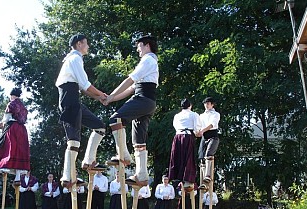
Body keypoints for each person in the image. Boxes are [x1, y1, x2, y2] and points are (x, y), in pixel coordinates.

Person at [104, 33, 159, 187]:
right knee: (139, 141)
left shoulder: (148, 59)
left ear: (147, 45)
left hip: (143, 100)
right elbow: (130, 90)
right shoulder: (151, 63)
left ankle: (123, 155)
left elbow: (129, 80)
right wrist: (110, 98)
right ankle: (141, 175)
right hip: (148, 103)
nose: (138, 50)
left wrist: (111, 96)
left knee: (115, 119)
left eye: (139, 47)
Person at [55, 33, 107, 188]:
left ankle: (89, 160)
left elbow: (83, 89)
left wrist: (99, 98)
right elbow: (85, 84)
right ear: (79, 44)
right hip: (69, 99)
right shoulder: (75, 59)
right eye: (86, 43)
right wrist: (103, 95)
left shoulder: (73, 59)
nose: (88, 46)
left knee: (100, 127)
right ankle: (67, 176)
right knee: (73, 140)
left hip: (73, 100)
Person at [0, 88, 30, 185]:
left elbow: (6, 118)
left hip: (12, 128)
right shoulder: (23, 107)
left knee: (3, 145)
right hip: (22, 130)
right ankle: (17, 178)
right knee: (19, 152)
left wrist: (1, 125)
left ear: (12, 95)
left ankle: (0, 169)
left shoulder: (11, 104)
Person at [168, 98, 201, 191]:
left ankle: (177, 177)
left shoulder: (177, 115)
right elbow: (196, 127)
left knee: (177, 156)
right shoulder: (193, 114)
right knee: (188, 157)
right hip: (187, 136)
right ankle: (187, 179)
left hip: (178, 136)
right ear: (190, 105)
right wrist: (198, 133)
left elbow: (175, 126)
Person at [197, 97, 220, 189]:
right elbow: (198, 126)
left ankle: (208, 176)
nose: (206, 105)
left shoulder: (216, 114)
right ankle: (203, 182)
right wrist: (197, 132)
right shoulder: (201, 115)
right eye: (205, 103)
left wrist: (202, 131)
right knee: (201, 157)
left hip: (213, 136)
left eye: (208, 103)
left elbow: (212, 124)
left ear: (212, 105)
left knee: (209, 154)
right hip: (204, 136)